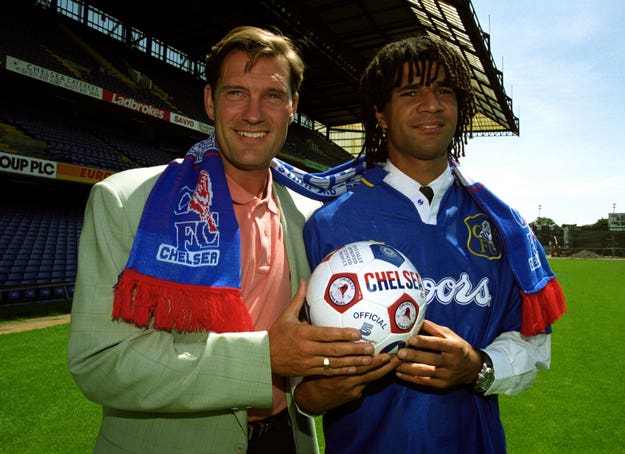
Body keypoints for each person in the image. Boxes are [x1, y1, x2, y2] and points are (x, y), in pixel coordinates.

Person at [67, 26, 376, 454]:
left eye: (271, 95)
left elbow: (303, 359)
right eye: (235, 93)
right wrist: (263, 358)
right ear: (210, 100)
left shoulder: (310, 218)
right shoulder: (126, 201)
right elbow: (99, 362)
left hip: (288, 440)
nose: (253, 114)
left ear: (292, 107)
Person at [293, 34, 567, 453]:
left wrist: (478, 368)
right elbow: (294, 370)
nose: (432, 104)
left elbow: (533, 346)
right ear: (380, 113)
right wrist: (313, 394)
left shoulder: (501, 225)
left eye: (444, 91)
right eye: (411, 92)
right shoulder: (329, 223)